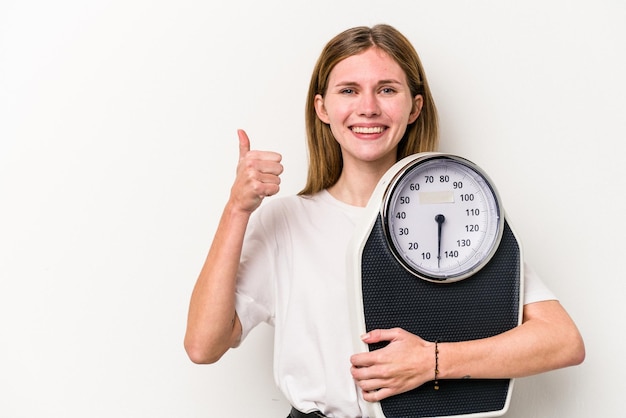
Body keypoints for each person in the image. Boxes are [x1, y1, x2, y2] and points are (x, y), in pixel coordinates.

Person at [184, 24, 585, 418]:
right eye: (349, 90)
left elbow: (562, 341)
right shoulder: (286, 221)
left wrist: (433, 361)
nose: (369, 108)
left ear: (415, 107)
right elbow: (204, 346)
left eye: (387, 89)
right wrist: (237, 209)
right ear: (322, 108)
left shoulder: (465, 217)